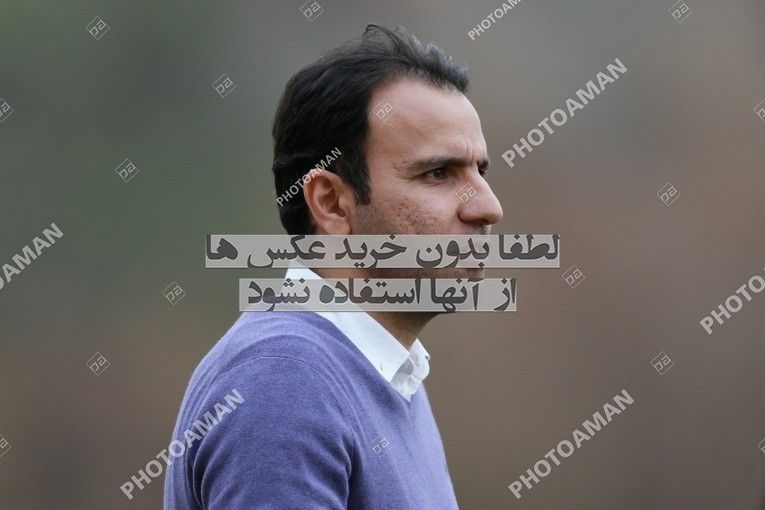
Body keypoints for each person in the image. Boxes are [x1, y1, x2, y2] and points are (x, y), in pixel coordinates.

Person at [164, 23, 503, 509]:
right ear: (330, 203)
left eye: (479, 171)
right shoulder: (284, 383)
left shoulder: (387, 372)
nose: (488, 207)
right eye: (437, 173)